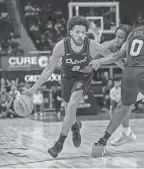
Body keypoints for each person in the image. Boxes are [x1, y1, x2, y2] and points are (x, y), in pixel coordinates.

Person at [24, 16, 113, 158]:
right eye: (77, 32)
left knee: (72, 105)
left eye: (83, 32)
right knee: (69, 114)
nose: (80, 35)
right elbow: (48, 70)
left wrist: (127, 67)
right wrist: (33, 89)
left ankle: (58, 144)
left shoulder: (92, 45)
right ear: (70, 32)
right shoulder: (61, 46)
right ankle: (75, 126)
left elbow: (112, 56)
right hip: (67, 78)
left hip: (83, 77)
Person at [90, 26, 144, 156]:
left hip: (132, 74)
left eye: (120, 37)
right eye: (116, 37)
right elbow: (107, 51)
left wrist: (99, 60)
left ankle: (104, 142)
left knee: (123, 107)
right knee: (123, 107)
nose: (117, 40)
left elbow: (114, 56)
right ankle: (126, 134)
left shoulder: (131, 37)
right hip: (137, 74)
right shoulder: (121, 41)